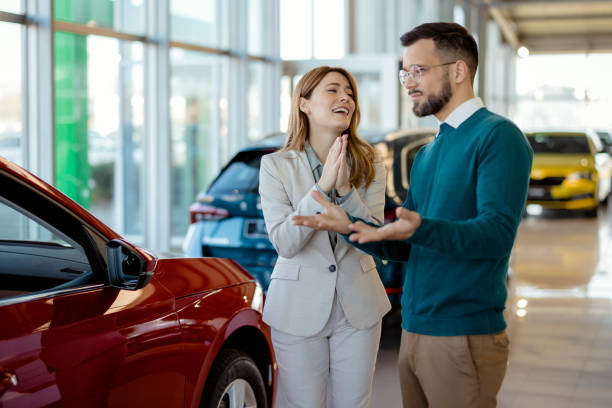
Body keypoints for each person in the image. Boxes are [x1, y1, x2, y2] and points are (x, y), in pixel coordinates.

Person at [292, 23, 533, 408]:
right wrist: (354, 229)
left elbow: (496, 235)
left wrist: (422, 227)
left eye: (418, 70)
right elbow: (411, 242)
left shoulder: (497, 136)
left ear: (458, 70)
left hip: (463, 331)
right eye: (405, 72)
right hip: (416, 328)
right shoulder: (428, 153)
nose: (408, 82)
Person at [259, 66, 391, 408]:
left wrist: (345, 188)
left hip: (359, 308)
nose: (345, 97)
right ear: (304, 104)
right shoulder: (276, 166)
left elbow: (374, 237)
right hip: (296, 308)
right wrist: (322, 187)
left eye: (349, 92)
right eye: (333, 90)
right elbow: (285, 243)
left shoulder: (372, 163)